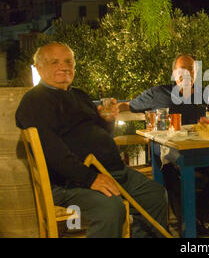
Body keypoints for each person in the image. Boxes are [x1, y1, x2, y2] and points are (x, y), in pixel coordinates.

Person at [15, 42, 168, 238]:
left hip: (112, 172)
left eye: (68, 61)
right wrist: (90, 179)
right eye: (54, 62)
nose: (63, 66)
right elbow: (52, 151)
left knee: (154, 195)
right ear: (38, 68)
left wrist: (108, 121)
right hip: (71, 183)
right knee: (110, 209)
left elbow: (101, 135)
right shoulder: (34, 101)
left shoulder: (79, 95)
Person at [120, 54, 209, 237]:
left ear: (196, 73)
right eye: (181, 70)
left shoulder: (205, 94)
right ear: (174, 73)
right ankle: (192, 223)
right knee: (170, 170)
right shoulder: (159, 92)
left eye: (190, 70)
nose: (186, 74)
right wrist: (112, 107)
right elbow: (130, 105)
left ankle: (196, 217)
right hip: (170, 152)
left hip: (203, 152)